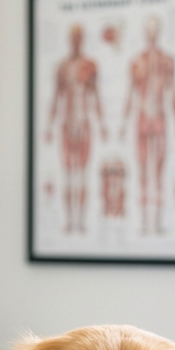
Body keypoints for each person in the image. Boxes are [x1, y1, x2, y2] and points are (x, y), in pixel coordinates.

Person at [120, 15, 175, 235]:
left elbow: (172, 92)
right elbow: (130, 94)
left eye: (154, 30)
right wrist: (123, 122)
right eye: (148, 30)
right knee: (143, 171)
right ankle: (144, 222)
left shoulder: (167, 61)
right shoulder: (137, 62)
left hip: (159, 118)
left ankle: (156, 222)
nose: (151, 34)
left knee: (157, 172)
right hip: (142, 119)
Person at [44, 23, 107, 234]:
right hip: (67, 124)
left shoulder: (90, 66)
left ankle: (81, 221)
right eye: (74, 37)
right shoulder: (62, 67)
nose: (76, 40)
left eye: (79, 37)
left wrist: (103, 124)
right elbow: (56, 98)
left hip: (84, 124)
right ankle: (70, 221)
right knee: (69, 176)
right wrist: (50, 127)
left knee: (83, 175)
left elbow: (95, 95)